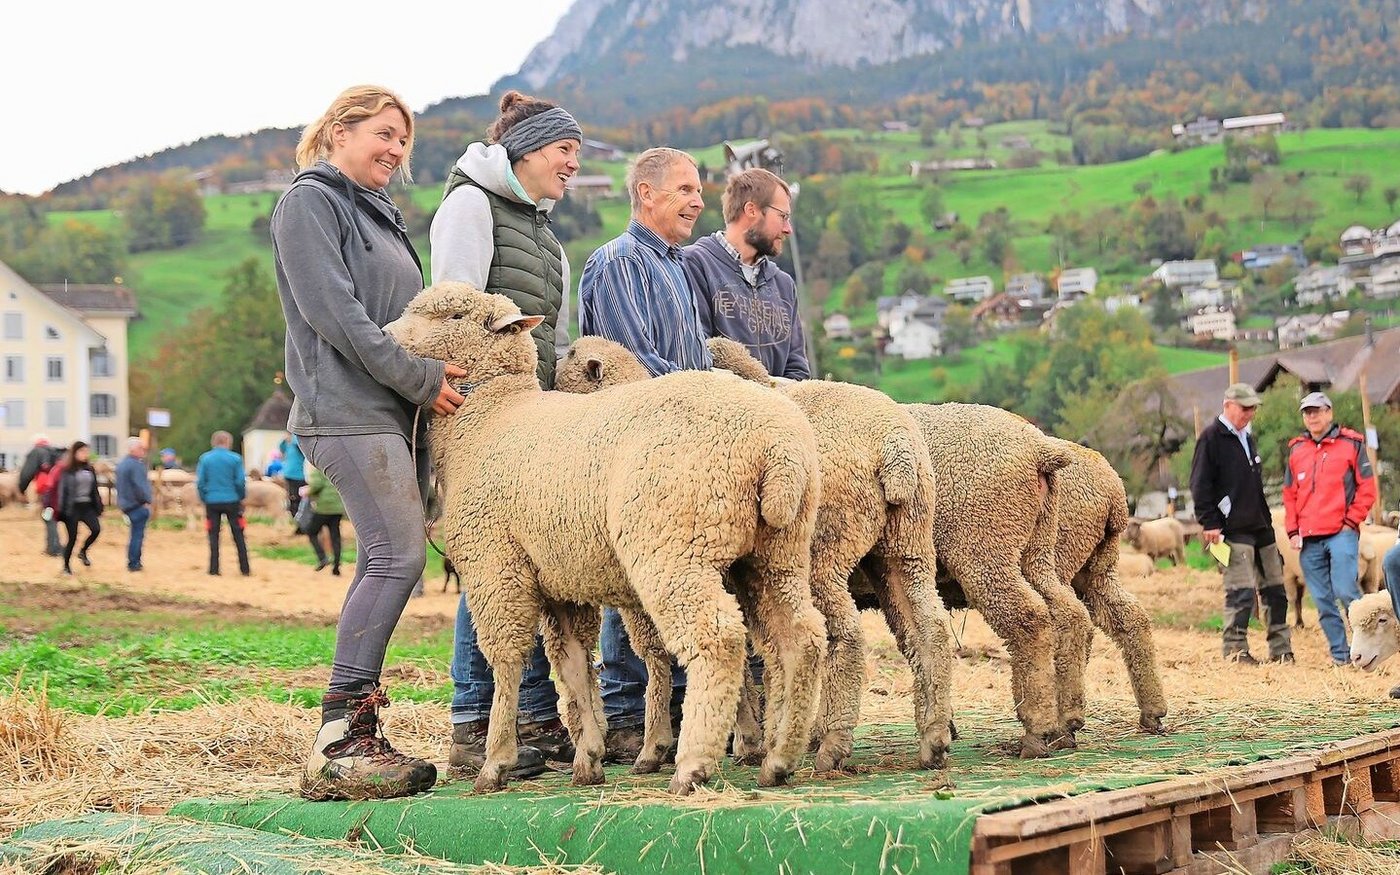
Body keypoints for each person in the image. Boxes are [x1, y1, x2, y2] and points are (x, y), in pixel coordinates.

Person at [272, 84, 465, 801]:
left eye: (403, 140)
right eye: (383, 132)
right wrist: (419, 378)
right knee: (400, 554)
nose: (395, 148)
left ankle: (355, 733)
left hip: (390, 410)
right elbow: (340, 318)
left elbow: (399, 315)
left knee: (386, 561)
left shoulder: (377, 213)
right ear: (338, 131)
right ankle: (339, 735)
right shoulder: (309, 202)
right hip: (344, 408)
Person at [429, 89, 582, 778]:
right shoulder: (471, 204)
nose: (573, 164)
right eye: (564, 150)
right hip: (483, 414)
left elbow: (549, 327)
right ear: (526, 151)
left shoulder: (541, 229)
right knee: (492, 567)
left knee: (526, 566)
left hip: (530, 415)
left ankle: (531, 713)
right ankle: (471, 721)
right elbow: (455, 308)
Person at [578, 146, 712, 761]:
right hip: (639, 445)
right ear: (646, 195)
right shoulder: (617, 262)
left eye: (699, 189)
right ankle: (629, 711)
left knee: (676, 575)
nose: (698, 200)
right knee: (631, 577)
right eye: (684, 188)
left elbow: (695, 359)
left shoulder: (678, 268)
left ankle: (680, 703)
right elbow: (631, 362)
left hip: (686, 442)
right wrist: (704, 402)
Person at [1189, 383, 1293, 665]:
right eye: (1245, 408)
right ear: (1228, 405)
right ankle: (1236, 650)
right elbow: (1200, 484)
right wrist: (1209, 522)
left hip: (1260, 525)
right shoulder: (1211, 438)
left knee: (1275, 590)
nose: (1250, 413)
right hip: (1232, 529)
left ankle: (1281, 650)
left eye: (1253, 408)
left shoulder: (1248, 437)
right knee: (1241, 591)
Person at [683, 167, 810, 380]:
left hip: (776, 411)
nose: (788, 229)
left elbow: (798, 371)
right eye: (782, 216)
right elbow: (697, 358)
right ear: (751, 210)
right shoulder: (694, 265)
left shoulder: (784, 285)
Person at [1282, 391, 1377, 666]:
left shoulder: (1351, 444)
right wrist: (1292, 530)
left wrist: (1351, 521)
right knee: (1322, 601)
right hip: (1309, 538)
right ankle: (1340, 655)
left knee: (1347, 591)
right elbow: (1289, 494)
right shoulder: (1297, 450)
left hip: (1341, 533)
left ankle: (1370, 649)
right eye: (1307, 412)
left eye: (1317, 411)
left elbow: (1367, 488)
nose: (1312, 416)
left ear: (1329, 413)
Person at [196, 431, 251, 577]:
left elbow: (200, 482)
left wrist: (204, 497)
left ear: (213, 442)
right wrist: (241, 497)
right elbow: (240, 481)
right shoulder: (235, 459)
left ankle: (214, 569)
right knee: (238, 534)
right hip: (232, 500)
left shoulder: (205, 459)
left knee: (213, 535)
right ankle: (244, 568)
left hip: (212, 501)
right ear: (228, 442)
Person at [54, 441, 103, 576]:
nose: (85, 454)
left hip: (87, 506)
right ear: (74, 453)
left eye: (86, 452)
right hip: (72, 507)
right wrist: (61, 511)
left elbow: (94, 490)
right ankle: (66, 566)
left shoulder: (90, 469)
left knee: (96, 529)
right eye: (82, 452)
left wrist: (99, 505)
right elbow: (62, 491)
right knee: (72, 537)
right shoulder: (67, 470)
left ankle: (83, 551)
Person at [17, 433, 63, 555]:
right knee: (51, 516)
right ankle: (53, 546)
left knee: (49, 516)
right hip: (61, 490)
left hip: (48, 491)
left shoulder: (36, 452)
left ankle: (54, 548)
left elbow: (27, 472)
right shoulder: (56, 453)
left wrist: (21, 488)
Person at [114, 437, 153, 572]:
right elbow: (140, 486)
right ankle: (134, 563)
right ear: (133, 449)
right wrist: (147, 501)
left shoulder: (122, 464)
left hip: (126, 505)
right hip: (137, 505)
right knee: (137, 535)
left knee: (134, 534)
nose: (143, 451)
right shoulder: (136, 465)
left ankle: (133, 561)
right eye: (141, 448)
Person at [301, 464, 344, 575]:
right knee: (335, 536)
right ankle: (336, 566)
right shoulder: (337, 467)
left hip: (323, 507)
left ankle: (322, 558)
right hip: (338, 507)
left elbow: (316, 485)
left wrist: (307, 491)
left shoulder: (319, 467)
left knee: (311, 531)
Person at [279, 432, 306, 529]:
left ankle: (301, 524)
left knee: (299, 500)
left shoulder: (296, 442)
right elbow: (281, 448)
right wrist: (284, 440)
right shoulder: (288, 445)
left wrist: (293, 439)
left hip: (299, 475)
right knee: (292, 500)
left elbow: (302, 448)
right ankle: (296, 523)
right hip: (289, 475)